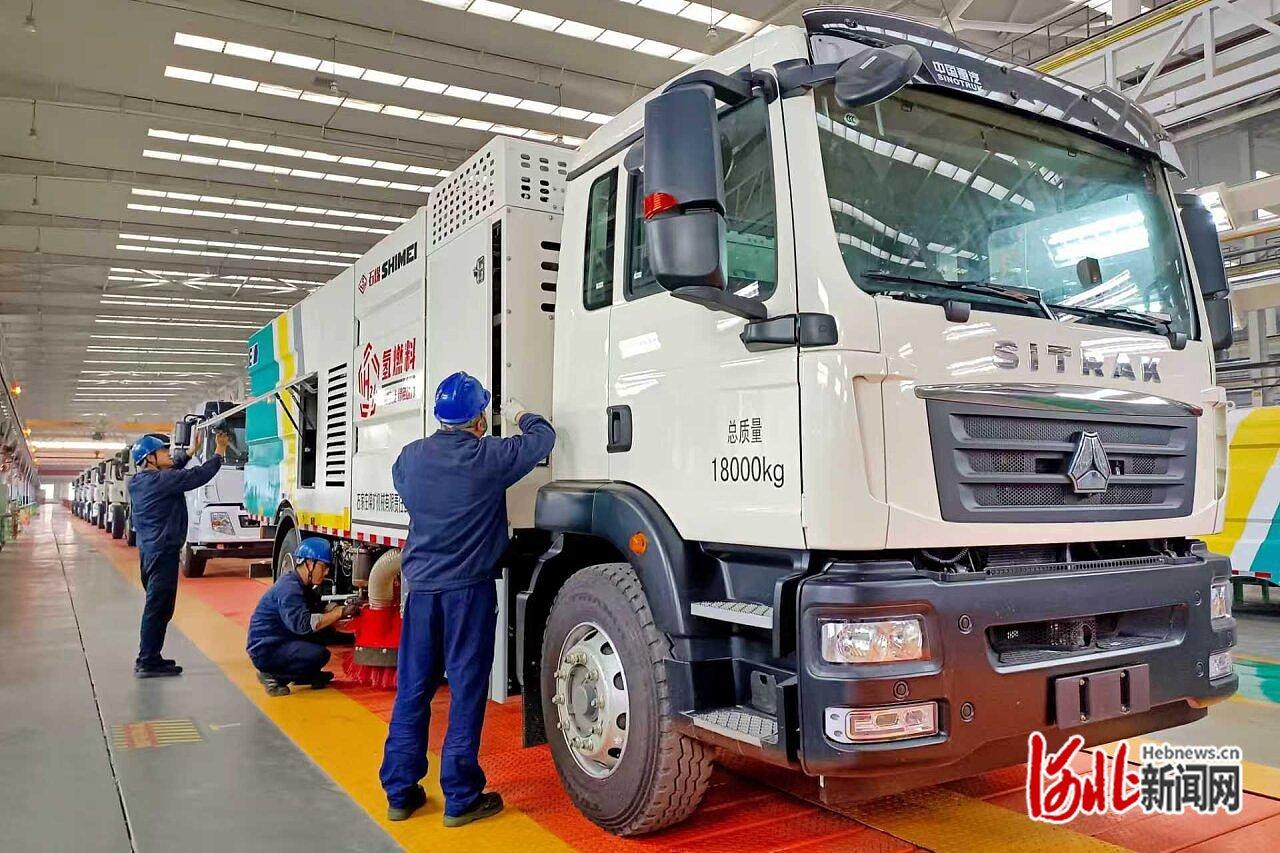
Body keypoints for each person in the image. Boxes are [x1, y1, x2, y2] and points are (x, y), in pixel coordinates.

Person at [380, 372, 555, 827]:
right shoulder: (488, 456)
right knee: (465, 690)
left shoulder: (410, 458)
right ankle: (460, 796)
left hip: (420, 591)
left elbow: (403, 483)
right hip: (468, 594)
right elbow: (543, 438)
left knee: (413, 690)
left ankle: (400, 793)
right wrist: (520, 414)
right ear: (479, 420)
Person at [128, 429, 227, 677]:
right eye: (163, 451)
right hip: (163, 553)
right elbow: (198, 475)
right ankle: (146, 661)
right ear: (150, 458)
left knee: (159, 607)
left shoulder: (139, 482)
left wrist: (191, 452)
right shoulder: (161, 482)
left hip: (151, 552)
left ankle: (152, 656)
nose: (169, 454)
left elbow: (172, 470)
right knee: (158, 608)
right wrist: (219, 451)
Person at [246, 537, 357, 696]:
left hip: (280, 639)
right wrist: (339, 612)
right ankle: (273, 676)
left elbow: (317, 609)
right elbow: (304, 625)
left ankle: (305, 675)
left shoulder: (301, 585)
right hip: (266, 649)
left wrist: (336, 610)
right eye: (324, 567)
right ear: (309, 564)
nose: (326, 572)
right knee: (319, 654)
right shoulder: (290, 590)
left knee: (326, 635)